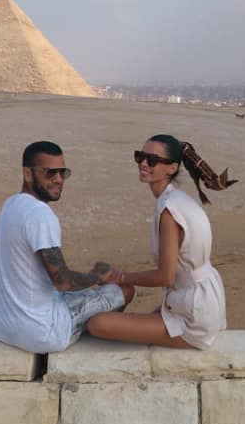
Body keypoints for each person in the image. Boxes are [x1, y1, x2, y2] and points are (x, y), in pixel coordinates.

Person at [87, 135, 237, 349]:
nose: (143, 163)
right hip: (201, 299)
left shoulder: (169, 210)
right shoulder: (179, 199)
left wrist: (120, 277)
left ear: (172, 168)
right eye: (140, 157)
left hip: (194, 315)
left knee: (97, 324)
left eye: (152, 160)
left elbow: (165, 276)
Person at [0, 141, 135, 353]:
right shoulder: (39, 214)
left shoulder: (10, 204)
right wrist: (98, 274)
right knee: (124, 289)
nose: (58, 179)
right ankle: (94, 341)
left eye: (63, 173)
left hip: (5, 327)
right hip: (42, 332)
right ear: (28, 174)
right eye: (50, 173)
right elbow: (63, 281)